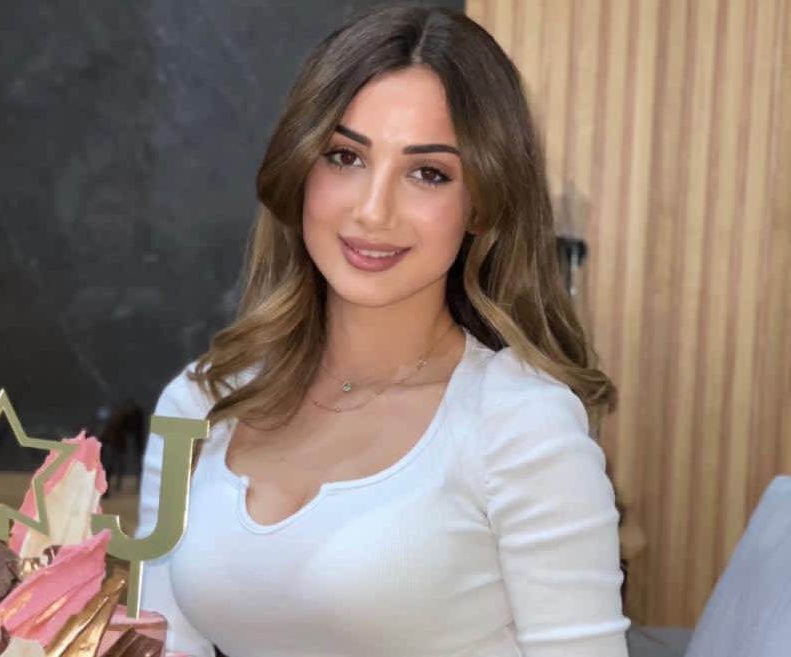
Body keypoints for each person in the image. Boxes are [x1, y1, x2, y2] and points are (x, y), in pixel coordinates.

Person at [137, 5, 630, 656]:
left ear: (481, 203)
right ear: (300, 169)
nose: (373, 211)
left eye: (428, 173)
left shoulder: (522, 424)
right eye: (345, 157)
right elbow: (161, 640)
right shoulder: (198, 404)